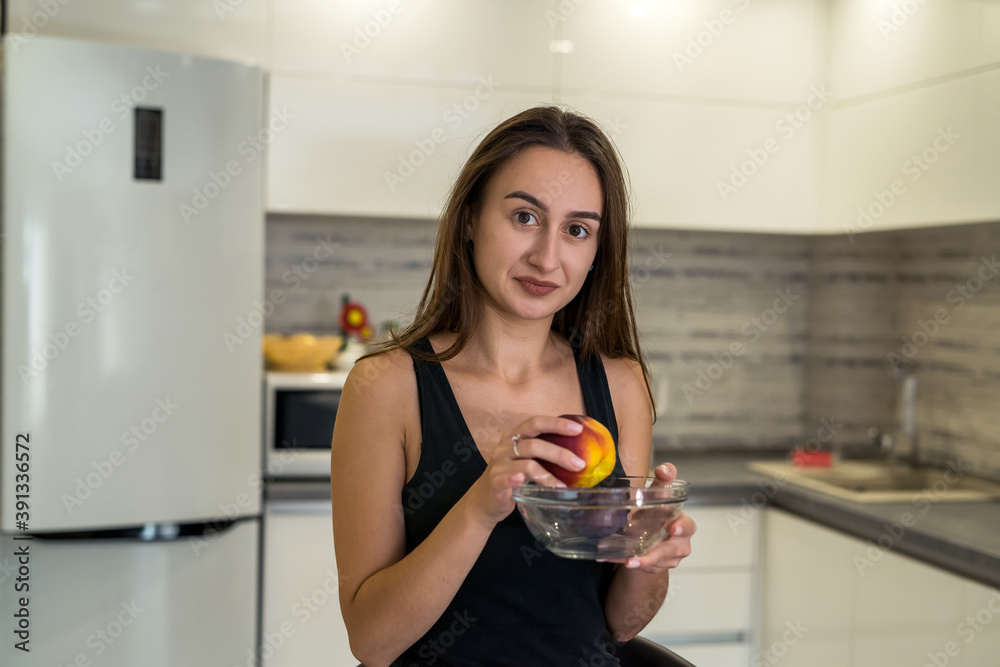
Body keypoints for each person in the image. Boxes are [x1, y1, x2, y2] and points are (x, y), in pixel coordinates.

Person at [330, 106, 696, 667]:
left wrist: (649, 554)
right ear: (472, 217)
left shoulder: (622, 386)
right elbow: (373, 643)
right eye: (525, 217)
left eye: (577, 230)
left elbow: (620, 623)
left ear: (598, 251)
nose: (547, 257)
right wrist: (480, 505)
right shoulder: (386, 386)